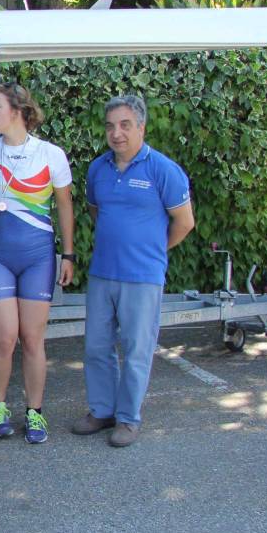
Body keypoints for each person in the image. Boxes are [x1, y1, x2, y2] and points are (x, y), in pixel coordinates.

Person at [74, 95, 194, 447]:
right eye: (111, 125)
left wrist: (153, 249)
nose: (117, 133)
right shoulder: (98, 169)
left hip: (143, 276)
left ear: (141, 126)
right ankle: (101, 411)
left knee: (136, 349)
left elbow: (184, 222)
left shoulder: (163, 169)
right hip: (103, 273)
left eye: (125, 125)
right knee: (96, 346)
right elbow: (96, 211)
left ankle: (127, 419)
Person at [0, 82, 75, 444]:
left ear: (17, 111)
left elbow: (65, 206)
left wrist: (68, 254)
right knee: (3, 338)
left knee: (33, 339)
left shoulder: (51, 154)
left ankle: (35, 413)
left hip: (37, 257)